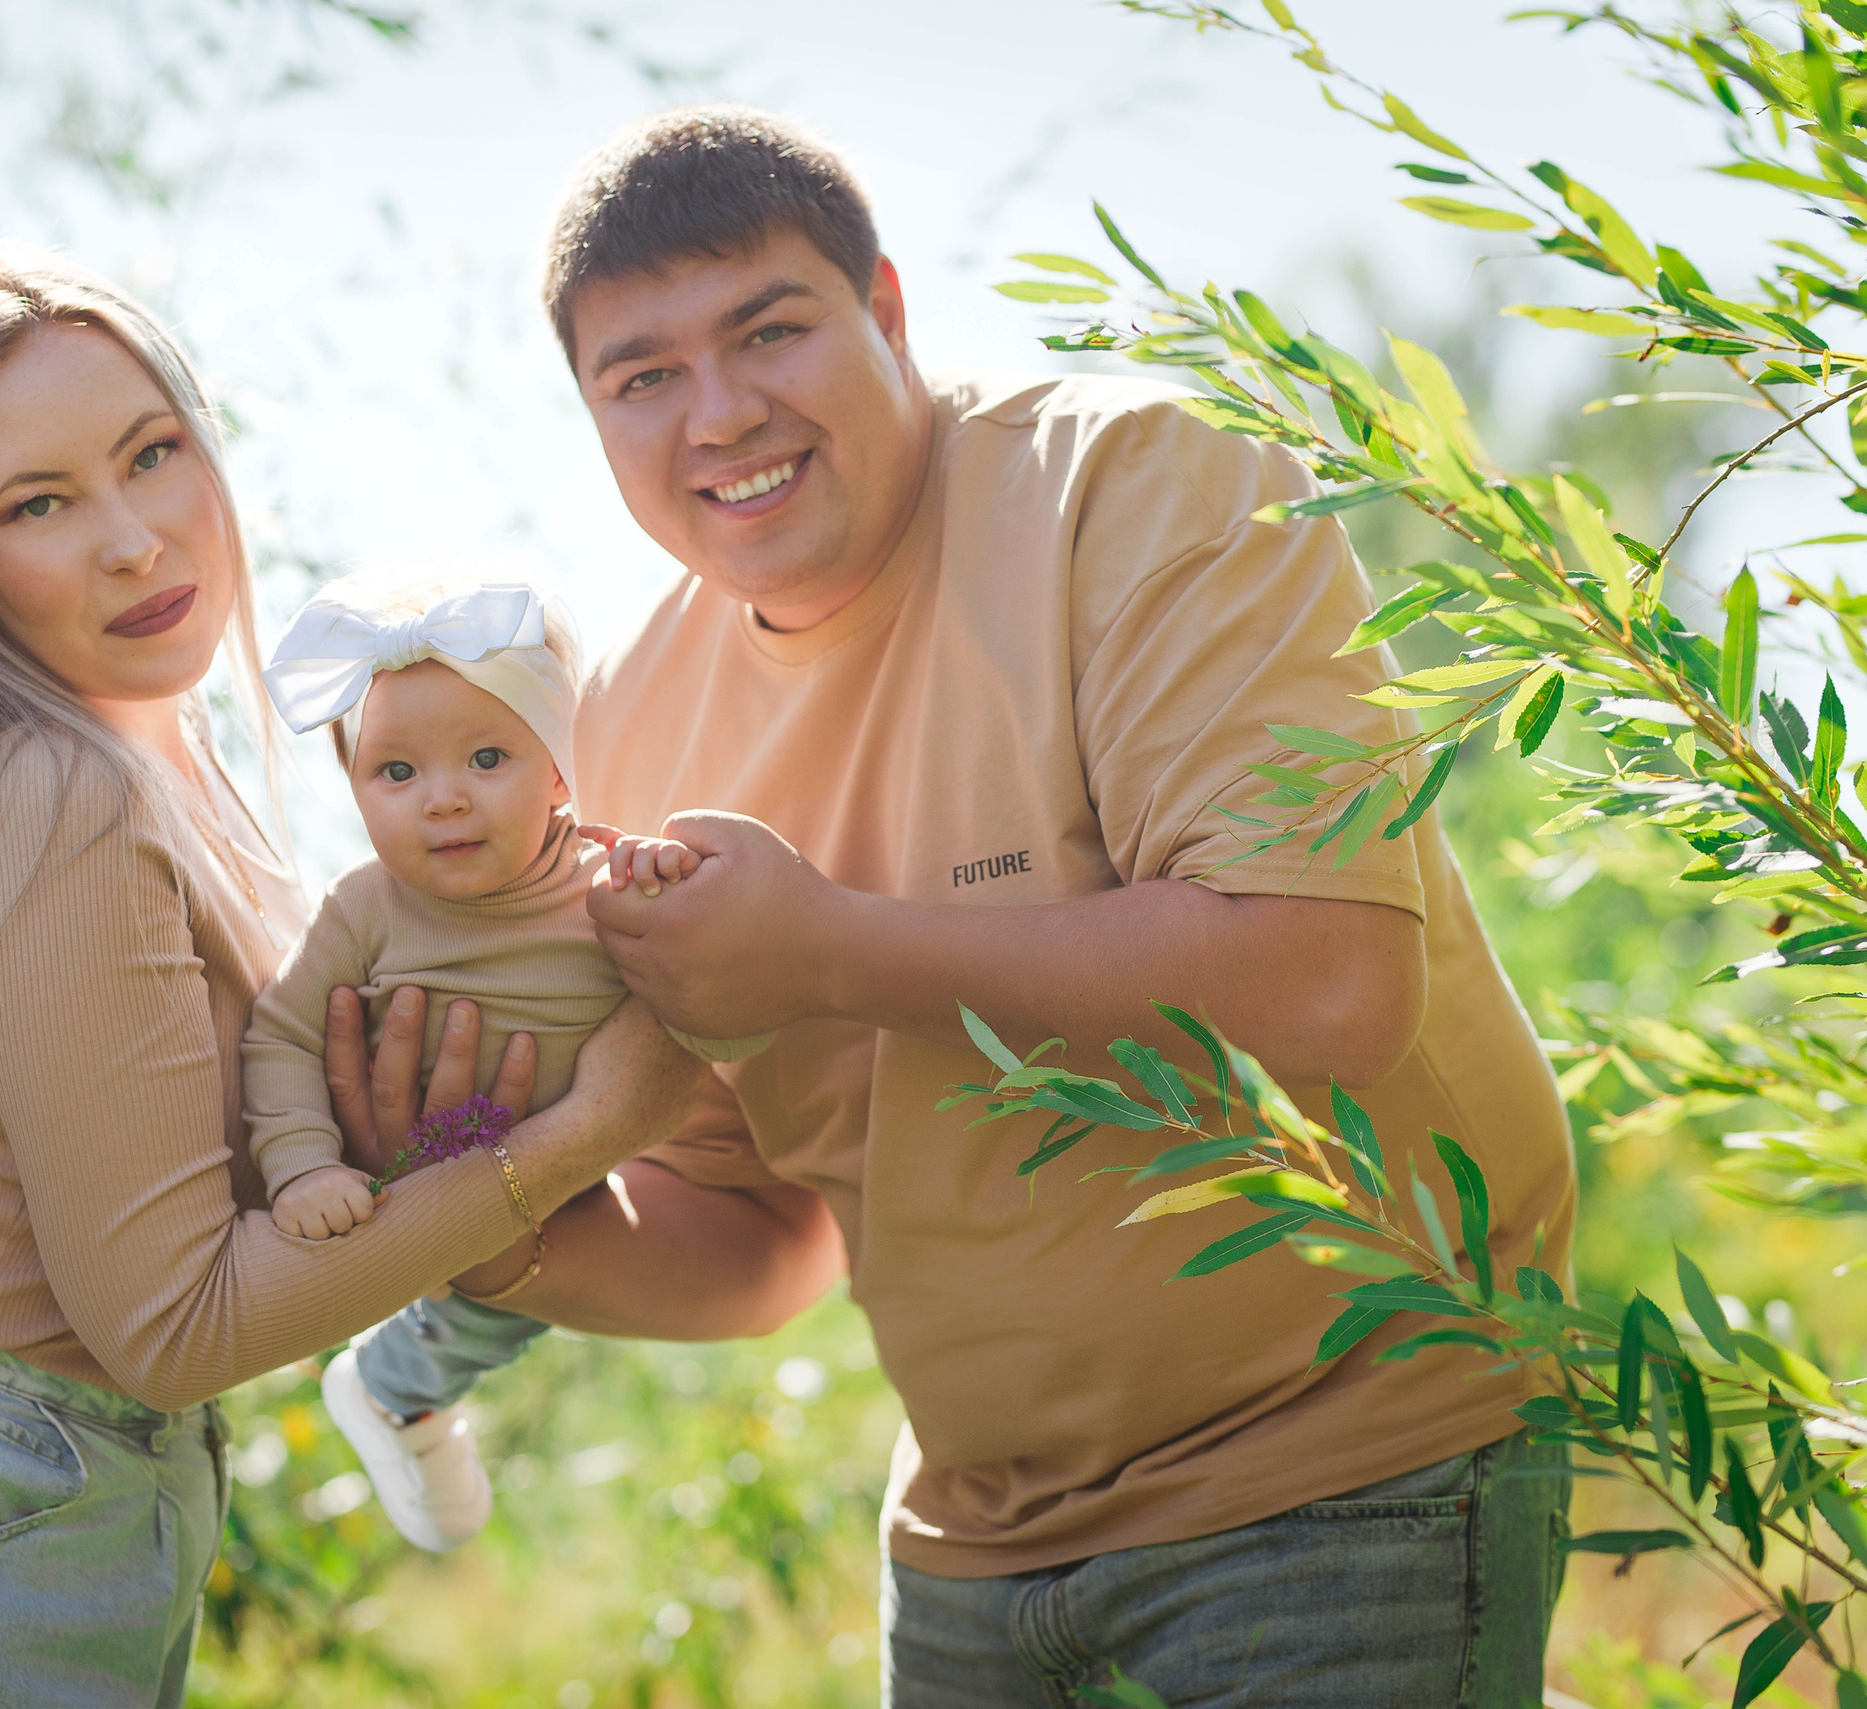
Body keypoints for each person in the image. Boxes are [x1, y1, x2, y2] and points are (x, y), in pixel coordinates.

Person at [457, 106, 1580, 1707]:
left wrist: (828, 945)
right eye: (641, 378)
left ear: (890, 312)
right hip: (975, 1566)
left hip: (1348, 1482)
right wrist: (466, 1223)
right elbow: (764, 1236)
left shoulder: (1146, 487)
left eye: (768, 331)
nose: (718, 414)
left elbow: (1328, 981)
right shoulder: (632, 719)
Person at [0, 247, 697, 1708]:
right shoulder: (57, 790)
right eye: (39, 504)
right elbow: (174, 1328)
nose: (133, 540)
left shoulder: (155, 764)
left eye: (152, 455)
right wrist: (593, 1129)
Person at [237, 572, 757, 1551]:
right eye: (395, 773)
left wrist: (684, 904)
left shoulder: (609, 886)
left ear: (563, 769)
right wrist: (303, 1160)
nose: (443, 799)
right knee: (449, 1300)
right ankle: (397, 1390)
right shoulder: (364, 907)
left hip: (561, 1185)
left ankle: (394, 1388)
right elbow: (281, 1036)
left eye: (487, 756)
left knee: (510, 1306)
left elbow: (733, 1031)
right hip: (393, 1174)